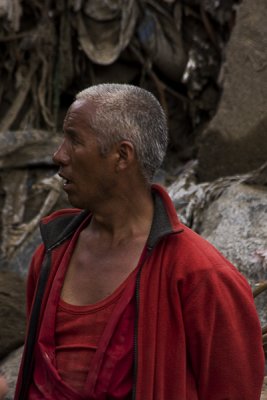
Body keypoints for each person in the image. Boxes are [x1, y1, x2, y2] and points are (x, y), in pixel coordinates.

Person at [15, 83, 264, 400]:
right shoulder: (50, 257)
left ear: (122, 156)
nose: (58, 155)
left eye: (74, 140)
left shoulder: (201, 277)